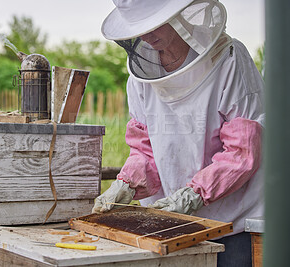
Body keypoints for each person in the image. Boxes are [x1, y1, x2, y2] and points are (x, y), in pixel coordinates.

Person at [92, 0, 264, 266]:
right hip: (173, 225)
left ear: (176, 13)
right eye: (139, 27)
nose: (146, 35)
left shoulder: (228, 58)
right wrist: (126, 183)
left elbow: (242, 152)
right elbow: (146, 150)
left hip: (232, 223)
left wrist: (194, 194)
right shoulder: (138, 80)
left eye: (153, 23)